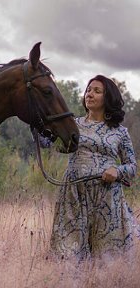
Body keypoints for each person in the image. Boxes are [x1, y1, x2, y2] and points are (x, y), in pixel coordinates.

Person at [49, 75, 138, 260]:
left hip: (107, 199)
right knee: (69, 256)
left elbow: (132, 168)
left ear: (108, 98)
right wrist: (39, 128)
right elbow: (54, 144)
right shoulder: (73, 124)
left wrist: (117, 171)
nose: (90, 94)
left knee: (107, 260)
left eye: (97, 91)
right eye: (88, 90)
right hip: (74, 195)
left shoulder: (120, 132)